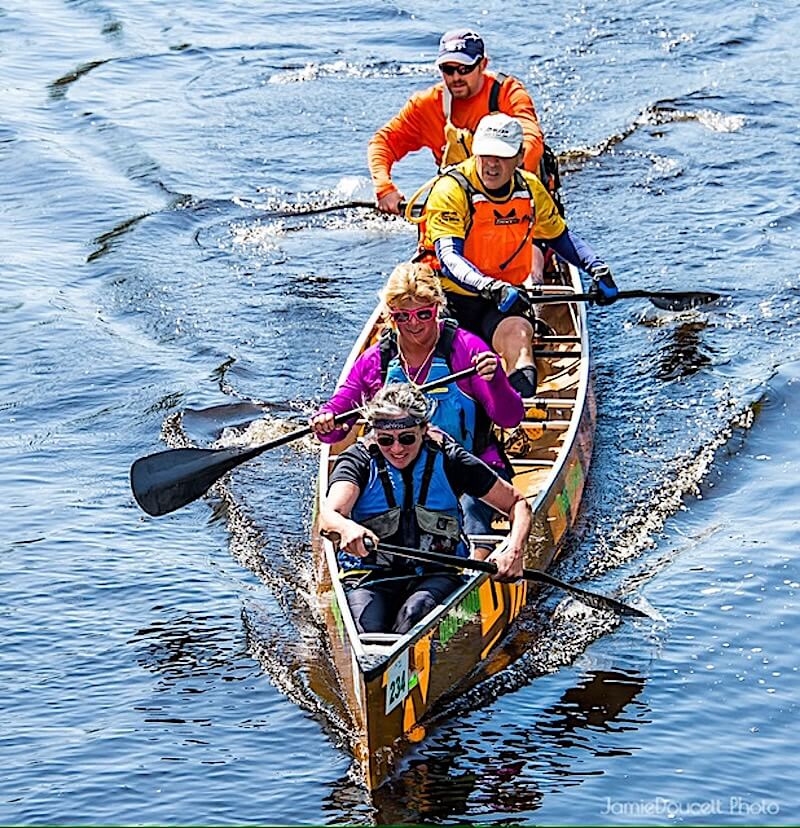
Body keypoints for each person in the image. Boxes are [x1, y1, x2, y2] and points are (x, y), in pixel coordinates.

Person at [311, 261, 523, 553]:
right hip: (397, 469)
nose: (414, 324)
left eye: (424, 313)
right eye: (402, 316)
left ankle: (474, 573)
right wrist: (327, 420)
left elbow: (510, 418)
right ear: (389, 316)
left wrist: (497, 379)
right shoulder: (375, 361)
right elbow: (335, 429)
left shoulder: (468, 350)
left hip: (465, 468)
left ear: (438, 308)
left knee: (471, 514)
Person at [419, 112, 619, 398]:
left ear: (519, 156)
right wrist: (490, 286)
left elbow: (560, 237)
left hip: (501, 302)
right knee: (443, 372)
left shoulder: (529, 189)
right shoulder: (451, 190)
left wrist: (596, 267)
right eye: (485, 154)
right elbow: (450, 259)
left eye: (501, 156)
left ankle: (519, 415)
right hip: (449, 299)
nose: (491, 164)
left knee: (520, 343)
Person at [319, 383, 532, 634]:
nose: (397, 449)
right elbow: (329, 515)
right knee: (366, 632)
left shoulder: (451, 458)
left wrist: (513, 550)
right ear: (375, 435)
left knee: (413, 614)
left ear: (423, 429)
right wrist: (345, 528)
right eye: (386, 440)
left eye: (407, 438)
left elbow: (518, 504)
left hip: (436, 573)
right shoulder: (358, 460)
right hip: (370, 575)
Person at [368, 28, 546, 215]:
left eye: (464, 69)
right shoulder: (427, 105)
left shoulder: (508, 93)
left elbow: (530, 140)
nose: (456, 78)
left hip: (513, 199)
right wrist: (384, 188)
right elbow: (383, 143)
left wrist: (498, 186)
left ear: (483, 64)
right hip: (458, 203)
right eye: (448, 70)